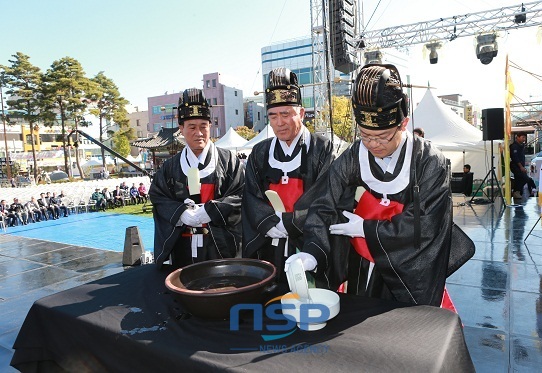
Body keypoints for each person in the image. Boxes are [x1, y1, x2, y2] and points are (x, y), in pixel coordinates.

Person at [287, 63, 456, 307]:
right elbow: (324, 202)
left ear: (403, 123)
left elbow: (427, 224)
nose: (374, 144)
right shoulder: (355, 155)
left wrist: (367, 229)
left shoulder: (429, 161)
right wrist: (312, 251)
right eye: (365, 136)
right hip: (360, 263)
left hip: (408, 269)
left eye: (382, 137)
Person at [242, 67, 335, 283]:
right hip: (270, 239)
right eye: (273, 116)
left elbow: (325, 197)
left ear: (301, 113)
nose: (279, 122)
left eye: (286, 114)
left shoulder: (322, 148)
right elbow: (250, 194)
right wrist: (268, 222)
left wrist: (291, 222)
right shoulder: (260, 152)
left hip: (309, 240)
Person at [149, 88, 245, 269]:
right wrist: (180, 213)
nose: (198, 133)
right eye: (192, 127)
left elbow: (241, 195)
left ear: (210, 126)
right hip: (183, 246)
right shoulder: (170, 167)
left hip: (220, 246)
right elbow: (158, 197)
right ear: (181, 129)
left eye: (203, 126)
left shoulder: (229, 161)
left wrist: (212, 211)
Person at [510, 132, 537, 199]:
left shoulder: (521, 146)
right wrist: (521, 167)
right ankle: (516, 191)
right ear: (518, 137)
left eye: (525, 137)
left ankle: (517, 192)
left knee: (519, 180)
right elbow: (515, 158)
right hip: (516, 166)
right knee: (526, 179)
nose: (524, 139)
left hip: (520, 166)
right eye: (522, 137)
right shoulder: (514, 146)